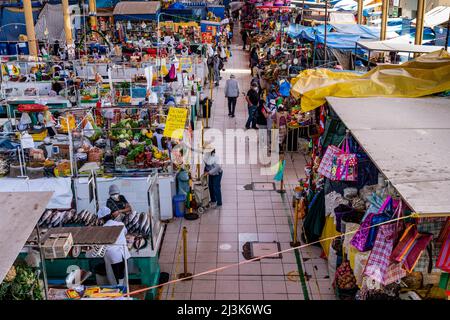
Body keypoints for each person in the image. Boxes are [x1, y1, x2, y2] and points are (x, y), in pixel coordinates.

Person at [94, 207, 131, 286]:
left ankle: (118, 293)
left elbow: (101, 242)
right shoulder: (120, 224)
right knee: (123, 275)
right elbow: (125, 233)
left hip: (113, 256)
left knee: (115, 277)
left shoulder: (102, 229)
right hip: (124, 253)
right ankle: (124, 292)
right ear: (111, 215)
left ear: (102, 219)